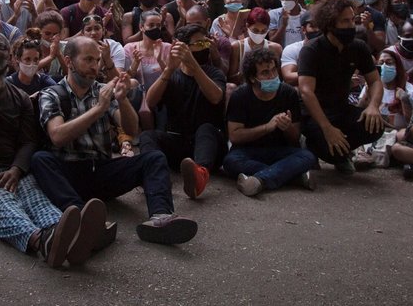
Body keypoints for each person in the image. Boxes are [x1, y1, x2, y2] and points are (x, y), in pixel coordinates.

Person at [0, 21, 106, 268]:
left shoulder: (19, 97)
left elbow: (28, 141)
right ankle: (42, 241)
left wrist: (17, 169)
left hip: (10, 168)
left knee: (35, 197)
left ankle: (67, 235)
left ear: (10, 57)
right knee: (1, 199)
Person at [30, 36, 197, 245]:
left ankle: (161, 218)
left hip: (100, 170)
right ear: (69, 61)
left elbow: (131, 129)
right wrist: (98, 109)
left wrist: (122, 99)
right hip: (68, 173)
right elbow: (57, 136)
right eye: (88, 60)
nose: (94, 67)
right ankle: (86, 221)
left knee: (153, 158)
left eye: (97, 60)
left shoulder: (102, 90)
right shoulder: (52, 94)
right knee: (40, 159)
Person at [296, 0, 385, 174]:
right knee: (325, 142)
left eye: (352, 20)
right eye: (345, 21)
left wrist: (374, 106)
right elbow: (306, 92)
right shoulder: (312, 50)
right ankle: (313, 146)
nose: (351, 25)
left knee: (375, 125)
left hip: (342, 109)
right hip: (314, 114)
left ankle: (341, 151)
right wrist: (327, 128)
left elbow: (375, 80)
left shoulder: (358, 47)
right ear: (329, 24)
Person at [138, 24, 226, 199]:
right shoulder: (173, 76)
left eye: (205, 43)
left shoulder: (214, 73)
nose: (204, 47)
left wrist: (194, 67)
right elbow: (150, 101)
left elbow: (216, 97)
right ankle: (156, 176)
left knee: (206, 129)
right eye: (198, 44)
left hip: (209, 147)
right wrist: (169, 69)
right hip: (179, 142)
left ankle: (199, 175)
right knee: (148, 136)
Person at [223, 48, 318, 195]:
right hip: (247, 151)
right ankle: (293, 176)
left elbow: (295, 136)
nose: (273, 76)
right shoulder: (240, 96)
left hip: (280, 149)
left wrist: (286, 127)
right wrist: (267, 127)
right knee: (231, 161)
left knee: (308, 157)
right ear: (253, 78)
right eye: (265, 73)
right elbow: (234, 136)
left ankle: (259, 181)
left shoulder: (288, 93)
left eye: (274, 70)